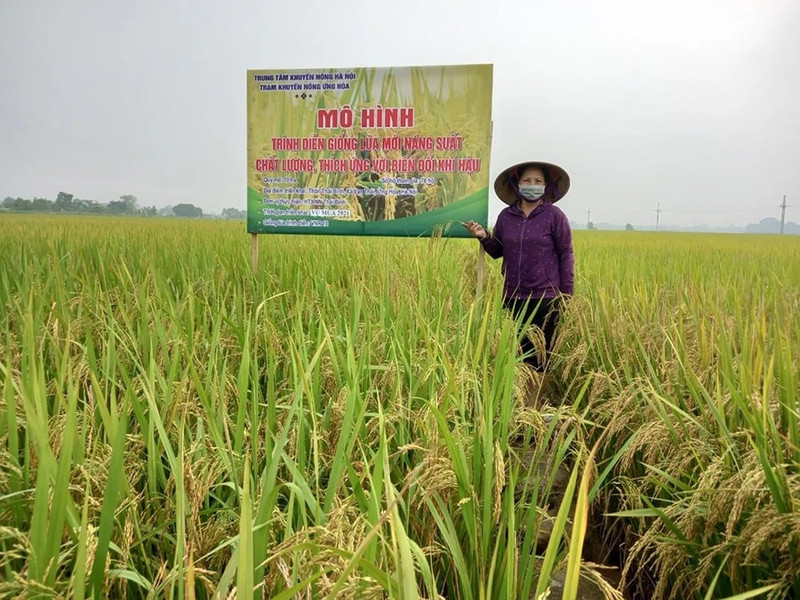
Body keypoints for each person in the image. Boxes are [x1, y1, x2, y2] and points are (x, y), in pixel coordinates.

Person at [463, 160, 574, 377]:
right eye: (527, 180)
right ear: (517, 184)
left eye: (537, 181)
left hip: (546, 298)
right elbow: (497, 251)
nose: (532, 185)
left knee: (542, 357)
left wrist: (566, 295)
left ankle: (538, 405)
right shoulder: (507, 216)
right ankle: (519, 405)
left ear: (546, 186)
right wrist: (483, 236)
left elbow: (566, 254)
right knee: (519, 356)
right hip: (514, 296)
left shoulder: (554, 215)